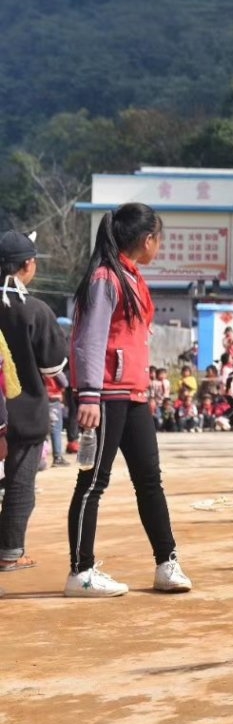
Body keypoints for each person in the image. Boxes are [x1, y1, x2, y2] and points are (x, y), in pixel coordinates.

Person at [66, 203, 192, 596]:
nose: (159, 246)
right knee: (93, 482)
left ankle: (166, 563)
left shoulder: (132, 277)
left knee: (150, 480)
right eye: (159, 238)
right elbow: (90, 338)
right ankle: (80, 573)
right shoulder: (105, 278)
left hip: (134, 394)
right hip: (105, 394)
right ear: (147, 239)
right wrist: (88, 395)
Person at [0, 230, 68, 573]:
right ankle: (9, 552)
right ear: (28, 265)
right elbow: (52, 366)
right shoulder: (35, 310)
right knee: (20, 484)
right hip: (24, 413)